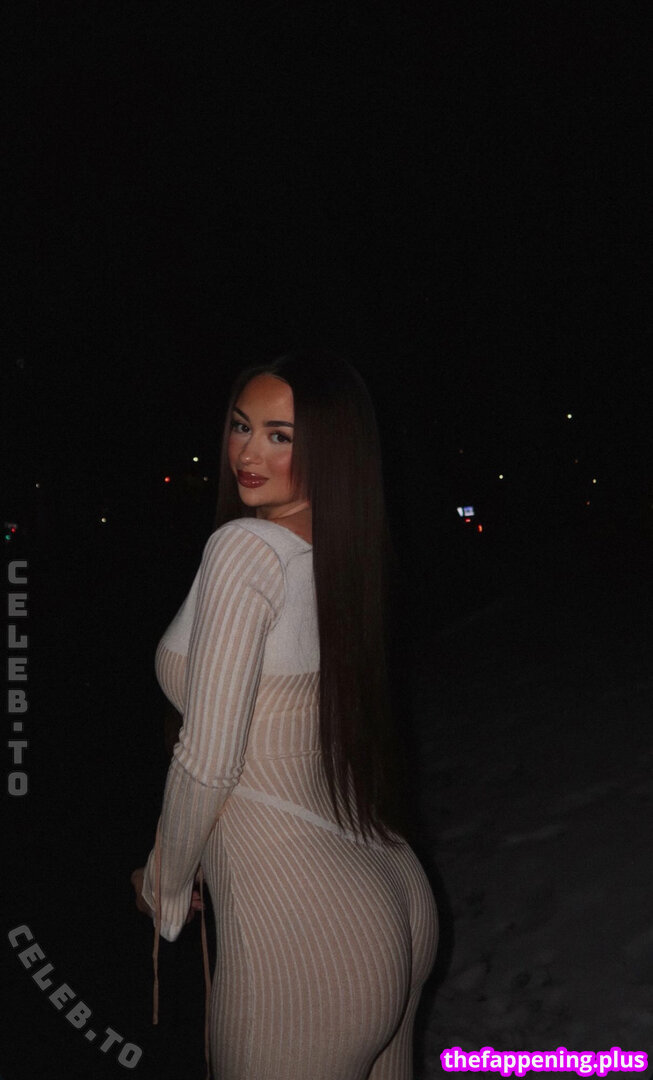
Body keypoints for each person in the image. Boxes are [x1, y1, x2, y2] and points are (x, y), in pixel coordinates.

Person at [131, 351, 438, 1080]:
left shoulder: (246, 549)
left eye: (280, 436)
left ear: (330, 447)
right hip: (390, 881)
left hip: (304, 928)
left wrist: (163, 884)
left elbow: (208, 758)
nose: (247, 453)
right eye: (242, 426)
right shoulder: (334, 549)